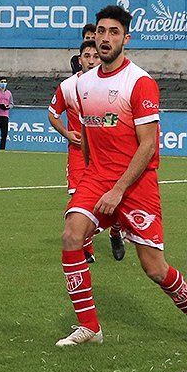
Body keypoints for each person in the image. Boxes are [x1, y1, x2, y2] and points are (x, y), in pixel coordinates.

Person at [56, 5, 187, 347]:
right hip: (98, 177)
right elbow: (89, 135)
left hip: (135, 184)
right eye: (101, 32)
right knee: (71, 236)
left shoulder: (139, 82)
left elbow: (148, 146)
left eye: (113, 33)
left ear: (126, 39)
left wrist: (119, 190)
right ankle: (90, 328)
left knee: (154, 268)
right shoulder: (82, 84)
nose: (105, 39)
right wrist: (93, 174)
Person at [49, 39, 120, 264]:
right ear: (79, 60)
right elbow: (52, 113)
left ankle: (116, 232)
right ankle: (86, 250)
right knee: (78, 199)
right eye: (86, 57)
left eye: (95, 56)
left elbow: (116, 117)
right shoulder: (68, 86)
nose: (91, 61)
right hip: (78, 153)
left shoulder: (112, 85)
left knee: (115, 201)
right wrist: (67, 134)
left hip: (106, 153)